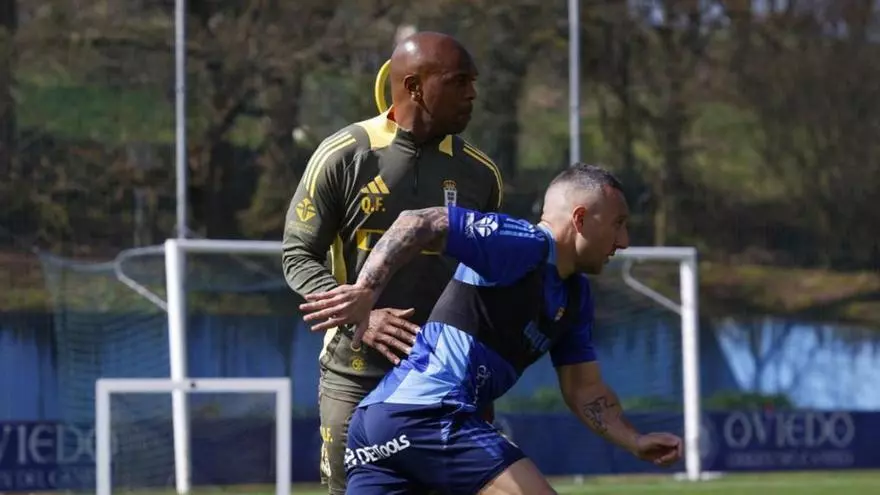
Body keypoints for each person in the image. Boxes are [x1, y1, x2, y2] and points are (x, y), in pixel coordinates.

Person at [299, 163, 685, 494]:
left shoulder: (575, 296)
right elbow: (417, 221)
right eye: (618, 225)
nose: (624, 241)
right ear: (581, 219)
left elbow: (585, 389)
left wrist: (635, 440)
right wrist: (365, 291)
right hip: (428, 415)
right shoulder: (524, 244)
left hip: (379, 425)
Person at [282, 31, 504, 495]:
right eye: (459, 80)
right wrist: (360, 313)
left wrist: (484, 379)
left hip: (447, 385)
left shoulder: (481, 176)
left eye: (473, 81)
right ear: (415, 86)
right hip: (354, 377)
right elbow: (297, 255)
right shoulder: (344, 155)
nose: (472, 93)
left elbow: (487, 281)